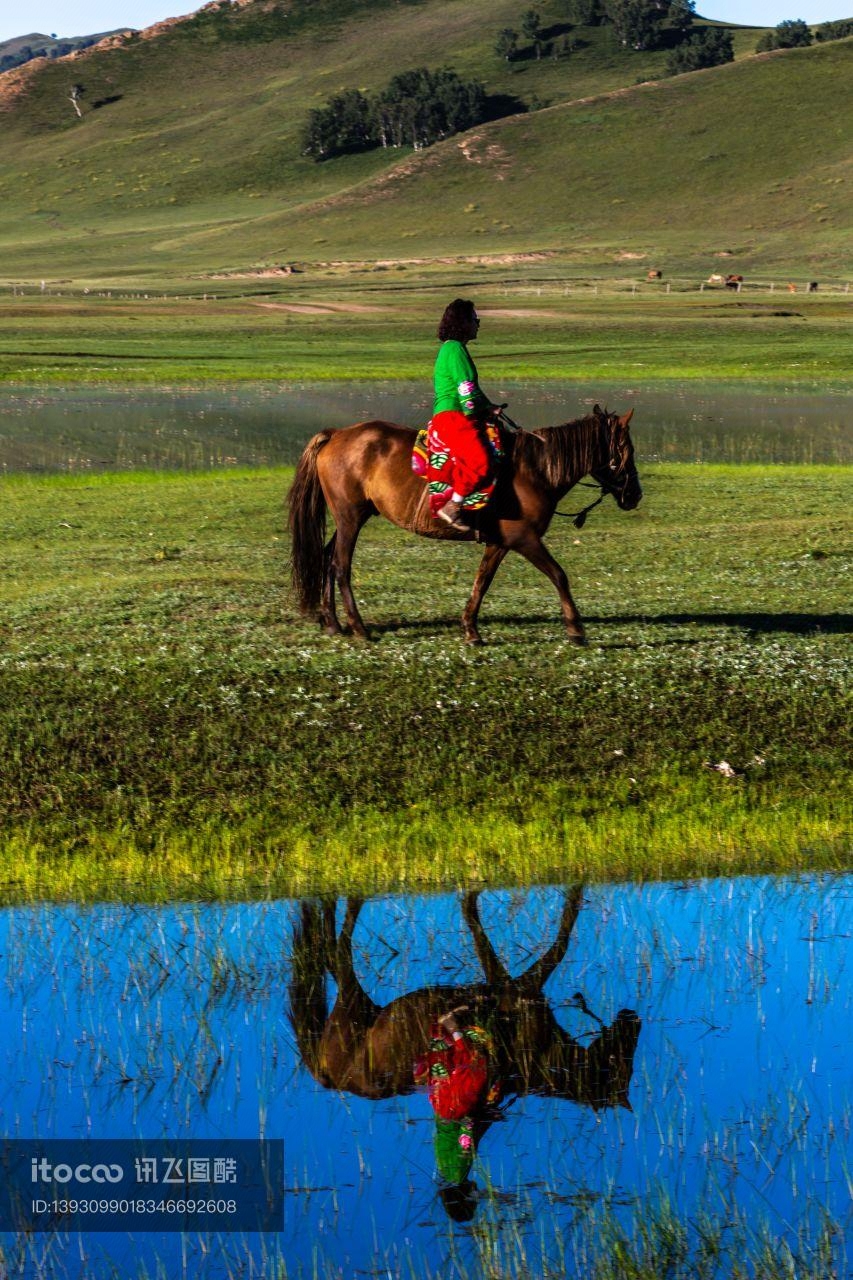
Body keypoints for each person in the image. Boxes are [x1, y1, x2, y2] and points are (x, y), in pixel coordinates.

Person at [430, 299, 504, 530]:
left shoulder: (453, 348)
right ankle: (453, 505)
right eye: (475, 319)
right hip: (453, 416)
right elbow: (465, 390)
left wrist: (489, 407)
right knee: (479, 461)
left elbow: (472, 389)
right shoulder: (455, 349)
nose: (478, 324)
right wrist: (477, 412)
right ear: (463, 322)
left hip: (455, 413)